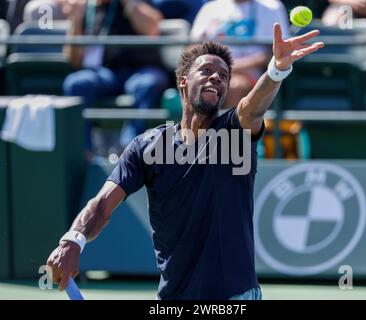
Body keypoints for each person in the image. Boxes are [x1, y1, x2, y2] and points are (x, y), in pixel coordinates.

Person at [46, 23, 324, 300]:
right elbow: (102, 204)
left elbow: (253, 106)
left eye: (223, 76)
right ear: (183, 81)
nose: (216, 78)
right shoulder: (146, 147)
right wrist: (73, 240)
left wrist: (276, 70)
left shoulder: (236, 131)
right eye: (206, 71)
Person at [60, 0, 170, 153]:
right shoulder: (88, 8)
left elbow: (152, 30)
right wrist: (76, 19)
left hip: (141, 70)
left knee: (147, 84)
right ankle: (84, 152)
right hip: (106, 74)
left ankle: (130, 150)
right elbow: (73, 59)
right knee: (76, 83)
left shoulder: (139, 3)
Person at [190, 0, 289, 108]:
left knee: (235, 86)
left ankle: (229, 125)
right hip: (211, 71)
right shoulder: (210, 7)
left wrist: (231, 67)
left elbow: (274, 53)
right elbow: (192, 47)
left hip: (251, 74)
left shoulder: (272, 7)